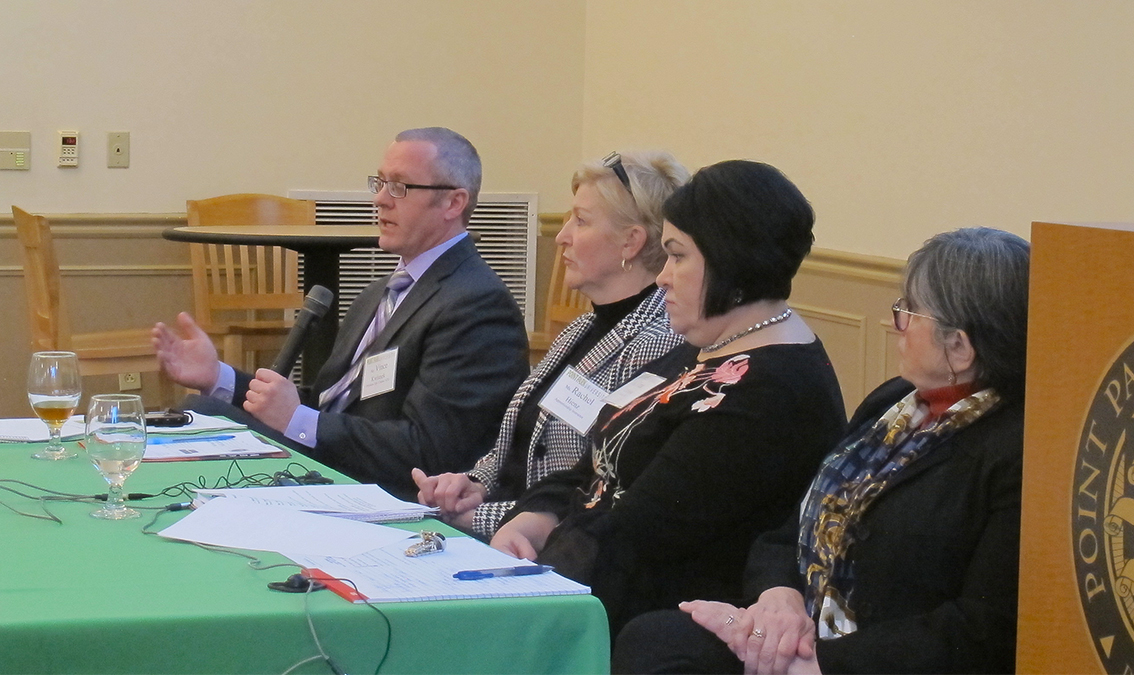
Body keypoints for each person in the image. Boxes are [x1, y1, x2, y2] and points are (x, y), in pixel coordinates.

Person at [612, 227, 1030, 674]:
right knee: (655, 637)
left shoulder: (1014, 452)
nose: (895, 324)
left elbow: (978, 633)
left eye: (908, 311)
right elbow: (790, 527)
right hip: (807, 628)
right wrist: (779, 599)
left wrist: (812, 664)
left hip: (871, 659)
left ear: (960, 347)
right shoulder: (894, 402)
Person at [490, 160, 847, 636]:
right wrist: (534, 518)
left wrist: (524, 585)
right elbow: (600, 457)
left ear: (729, 261)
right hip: (593, 583)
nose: (662, 278)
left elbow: (640, 532)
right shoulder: (714, 344)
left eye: (677, 256)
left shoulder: (774, 389)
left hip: (653, 617)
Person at [152, 127, 528, 500]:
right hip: (333, 467)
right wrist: (219, 377)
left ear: (453, 203)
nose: (380, 199)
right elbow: (326, 405)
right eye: (379, 183)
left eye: (399, 186)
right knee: (201, 412)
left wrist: (296, 420)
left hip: (381, 493)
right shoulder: (377, 294)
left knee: (200, 415)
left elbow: (432, 452)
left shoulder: (477, 305)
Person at [411, 151, 689, 539]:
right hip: (503, 528)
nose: (561, 237)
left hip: (548, 547)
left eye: (581, 221)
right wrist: (472, 487)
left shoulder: (659, 344)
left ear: (631, 242)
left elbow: (596, 486)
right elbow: (519, 442)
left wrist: (480, 518)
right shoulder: (582, 328)